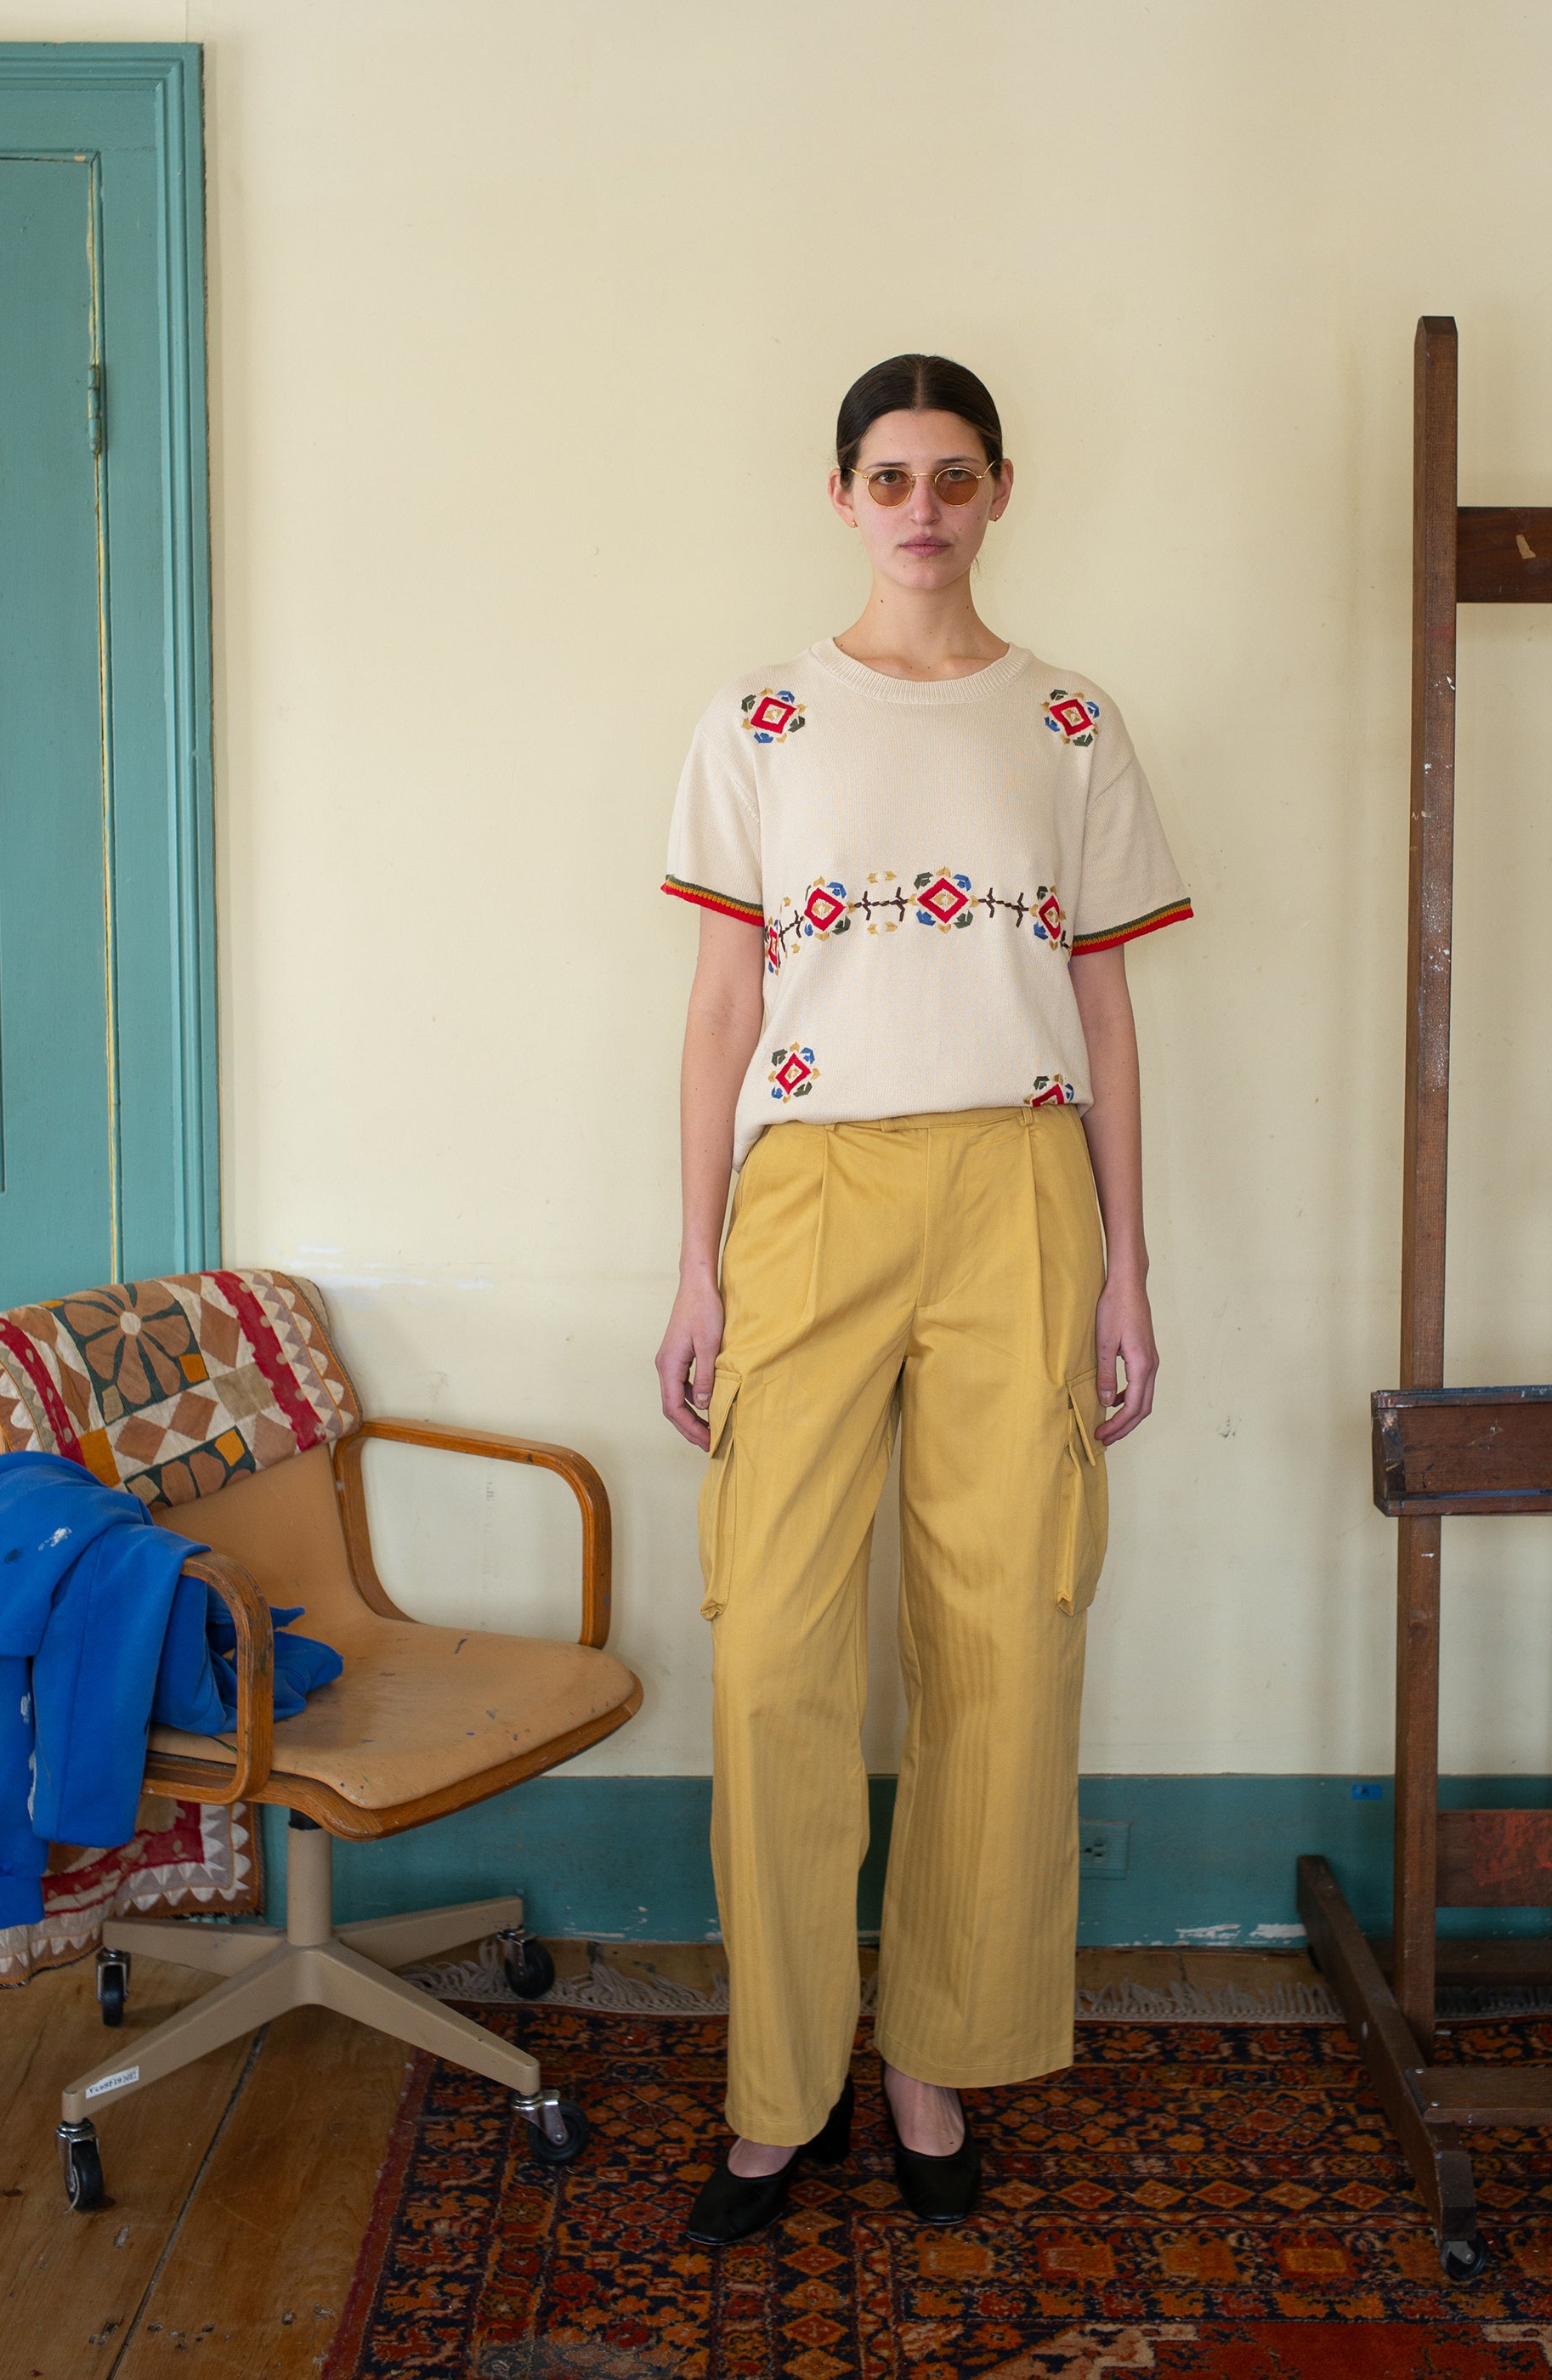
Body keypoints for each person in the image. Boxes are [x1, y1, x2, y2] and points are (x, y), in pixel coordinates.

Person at [655, 353, 1192, 2244]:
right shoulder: (760, 719)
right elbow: (725, 1004)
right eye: (889, 475)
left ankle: (935, 2054)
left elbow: (1108, 1002)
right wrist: (694, 1255)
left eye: (953, 474)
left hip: (1020, 1183)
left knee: (1004, 1629)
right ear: (843, 497)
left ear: (999, 489)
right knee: (773, 1641)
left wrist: (1127, 1259)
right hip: (806, 1190)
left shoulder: (1068, 720)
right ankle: (779, 2076)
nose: (922, 506)